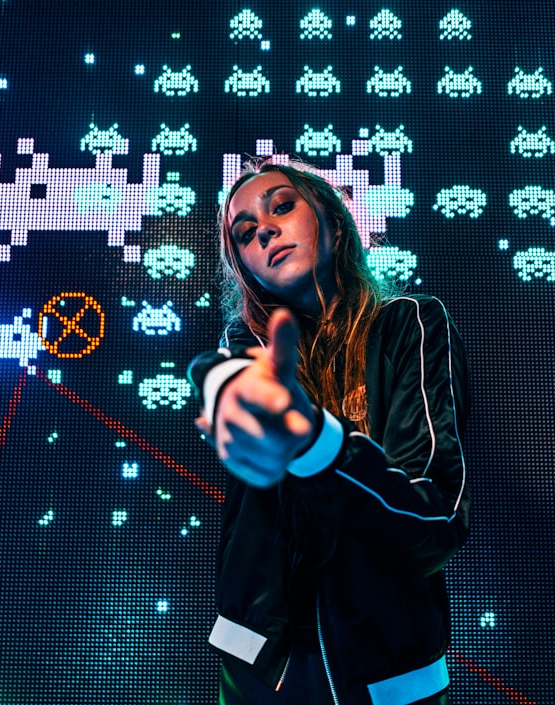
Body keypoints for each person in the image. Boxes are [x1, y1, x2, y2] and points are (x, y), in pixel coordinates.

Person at [189, 158, 470, 705]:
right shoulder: (244, 344)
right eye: (245, 233)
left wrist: (317, 444)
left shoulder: (410, 324)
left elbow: (434, 521)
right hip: (259, 672)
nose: (264, 230)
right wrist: (225, 391)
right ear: (246, 269)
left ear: (335, 223)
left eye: (282, 206)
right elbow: (225, 377)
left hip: (388, 676)